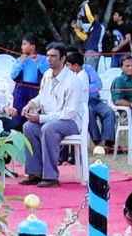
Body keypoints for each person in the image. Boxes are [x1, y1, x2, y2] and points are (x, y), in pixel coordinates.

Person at [19, 43, 83, 188]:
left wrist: (41, 118)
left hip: (70, 122)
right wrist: (30, 104)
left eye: (53, 56)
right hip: (50, 120)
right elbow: (41, 97)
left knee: (48, 128)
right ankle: (35, 173)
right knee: (28, 127)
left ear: (63, 58)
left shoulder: (73, 81)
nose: (49, 59)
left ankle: (51, 177)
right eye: (48, 56)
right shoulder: (47, 75)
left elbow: (69, 113)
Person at [10, 34, 48, 126]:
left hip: (36, 90)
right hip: (21, 90)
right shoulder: (20, 59)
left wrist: (37, 62)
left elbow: (47, 73)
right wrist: (21, 62)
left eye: (24, 44)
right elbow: (13, 75)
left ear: (32, 46)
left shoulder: (43, 59)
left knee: (33, 115)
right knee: (18, 115)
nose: (21, 47)